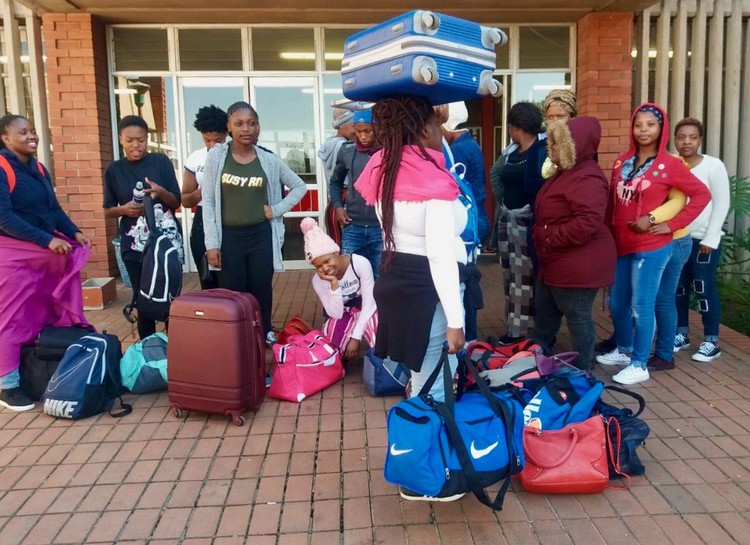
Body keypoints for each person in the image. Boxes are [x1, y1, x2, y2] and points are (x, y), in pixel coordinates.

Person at [355, 95, 465, 502]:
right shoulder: (431, 184)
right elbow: (439, 256)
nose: (443, 133)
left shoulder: (385, 169)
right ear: (423, 130)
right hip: (427, 288)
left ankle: (418, 466)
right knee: (437, 383)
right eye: (437, 126)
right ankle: (429, 479)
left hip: (396, 278)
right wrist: (456, 318)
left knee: (421, 380)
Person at [596, 103, 710, 385]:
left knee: (641, 305)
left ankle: (640, 363)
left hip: (652, 245)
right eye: (638, 124)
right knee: (618, 303)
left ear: (662, 129)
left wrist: (669, 224)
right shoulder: (621, 162)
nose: (643, 129)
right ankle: (625, 350)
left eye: (650, 124)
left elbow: (701, 195)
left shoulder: (670, 164)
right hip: (622, 244)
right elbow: (612, 204)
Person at [0, 113, 91, 411]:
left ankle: (32, 373)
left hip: (41, 254)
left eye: (34, 131)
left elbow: (53, 209)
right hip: (13, 255)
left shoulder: (38, 167)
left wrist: (73, 232)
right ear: (5, 138)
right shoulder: (2, 167)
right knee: (12, 318)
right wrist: (47, 240)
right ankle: (7, 385)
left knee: (39, 314)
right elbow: (4, 217)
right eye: (23, 132)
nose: (31, 136)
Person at [202, 101, 307, 345]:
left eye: (251, 123)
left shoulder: (268, 160)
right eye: (239, 124)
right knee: (233, 293)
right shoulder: (217, 156)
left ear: (258, 127)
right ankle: (236, 338)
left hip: (260, 237)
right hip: (228, 239)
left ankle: (263, 333)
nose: (246, 129)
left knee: (261, 289)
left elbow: (299, 186)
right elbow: (207, 201)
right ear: (229, 127)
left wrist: (276, 209)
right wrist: (211, 244)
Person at [530, 117, 616, 370]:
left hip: (577, 265)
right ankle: (535, 359)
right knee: (545, 316)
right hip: (556, 261)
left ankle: (583, 368)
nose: (552, 149)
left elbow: (586, 224)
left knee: (577, 317)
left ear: (575, 146)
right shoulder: (568, 172)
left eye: (559, 144)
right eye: (552, 143)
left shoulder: (587, 177)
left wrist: (547, 235)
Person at [104, 115, 182, 340]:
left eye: (141, 140)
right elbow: (107, 209)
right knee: (142, 297)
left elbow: (176, 201)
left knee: (170, 296)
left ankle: (175, 350)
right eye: (129, 140)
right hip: (134, 243)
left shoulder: (161, 162)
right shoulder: (114, 170)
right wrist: (124, 210)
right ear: (121, 139)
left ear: (147, 139)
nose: (136, 145)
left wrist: (161, 192)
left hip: (166, 241)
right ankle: (148, 351)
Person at [673, 117, 731, 362]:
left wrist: (711, 237)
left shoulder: (713, 166)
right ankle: (681, 334)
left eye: (692, 137)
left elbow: (721, 202)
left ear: (700, 140)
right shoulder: (672, 165)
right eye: (681, 137)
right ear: (675, 140)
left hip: (704, 240)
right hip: (678, 238)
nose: (686, 142)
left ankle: (711, 340)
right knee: (678, 287)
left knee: (703, 287)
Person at [489, 102, 547, 343]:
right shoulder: (510, 153)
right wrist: (504, 204)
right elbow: (497, 175)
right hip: (508, 223)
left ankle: (526, 332)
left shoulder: (542, 151)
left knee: (526, 279)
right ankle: (514, 327)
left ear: (516, 127)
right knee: (511, 278)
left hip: (528, 225)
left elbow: (543, 187)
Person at [301, 217, 377, 360]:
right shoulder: (318, 280)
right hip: (342, 311)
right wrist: (334, 284)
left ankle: (379, 366)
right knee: (332, 341)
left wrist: (355, 338)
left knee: (377, 327)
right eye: (318, 266)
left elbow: (369, 303)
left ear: (336, 252)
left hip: (364, 307)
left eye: (327, 261)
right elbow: (336, 313)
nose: (325, 268)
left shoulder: (359, 263)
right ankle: (338, 361)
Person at [329, 108, 383, 278]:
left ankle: (375, 306)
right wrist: (338, 206)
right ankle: (354, 306)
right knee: (349, 278)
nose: (362, 136)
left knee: (379, 278)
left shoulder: (387, 152)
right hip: (353, 227)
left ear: (377, 128)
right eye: (358, 131)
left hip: (380, 228)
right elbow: (335, 182)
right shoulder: (347, 151)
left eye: (367, 131)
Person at [181, 105, 228, 289]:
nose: (212, 145)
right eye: (207, 140)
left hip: (229, 219)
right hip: (203, 221)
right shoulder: (195, 158)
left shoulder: (235, 155)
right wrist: (205, 189)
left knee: (231, 280)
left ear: (227, 133)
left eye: (218, 140)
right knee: (208, 281)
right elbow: (185, 200)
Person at [319, 108, 355, 247]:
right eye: (353, 126)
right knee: (346, 253)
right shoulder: (345, 146)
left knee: (337, 246)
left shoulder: (328, 143)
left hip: (333, 205)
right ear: (341, 125)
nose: (357, 131)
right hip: (343, 205)